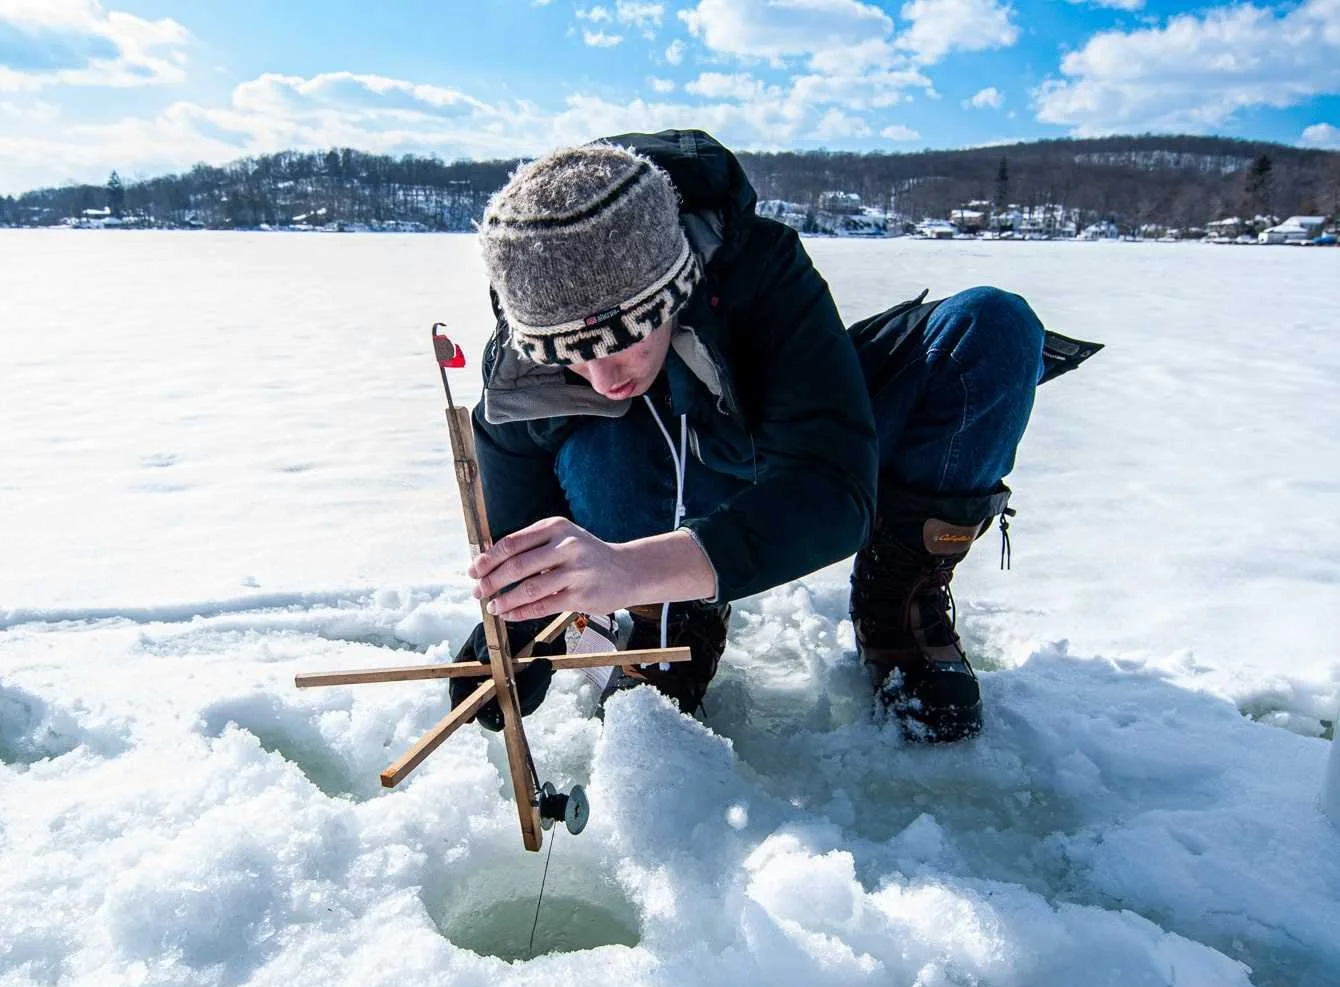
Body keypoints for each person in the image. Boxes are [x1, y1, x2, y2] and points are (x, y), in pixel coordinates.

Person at [447, 129, 1097, 743]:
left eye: (618, 340)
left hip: (767, 444)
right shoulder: (525, 362)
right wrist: (521, 626)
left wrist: (625, 568)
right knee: (604, 426)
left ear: (672, 288)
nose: (599, 373)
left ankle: (900, 596)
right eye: (570, 356)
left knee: (993, 330)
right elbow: (520, 532)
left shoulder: (758, 269)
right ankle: (668, 614)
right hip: (647, 477)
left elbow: (834, 487)